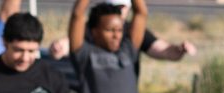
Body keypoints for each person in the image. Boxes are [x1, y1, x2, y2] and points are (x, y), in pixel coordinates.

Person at [48, 0, 198, 65]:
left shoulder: (134, 34)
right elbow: (68, 43)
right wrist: (58, 47)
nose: (115, 36)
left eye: (121, 8)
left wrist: (179, 50)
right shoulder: (91, 30)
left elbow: (163, 51)